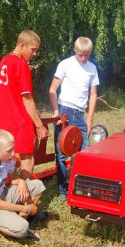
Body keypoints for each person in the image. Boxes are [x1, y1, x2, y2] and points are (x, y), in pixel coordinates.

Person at [0, 30, 48, 204]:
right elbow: (27, 98)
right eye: (33, 49)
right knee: (27, 158)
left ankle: (3, 191)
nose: (34, 53)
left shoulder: (4, 62)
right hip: (20, 121)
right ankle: (23, 198)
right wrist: (39, 125)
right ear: (22, 45)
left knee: (6, 157)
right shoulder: (21, 64)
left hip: (4, 119)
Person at [0, 130, 47, 240]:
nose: (13, 154)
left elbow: (12, 178)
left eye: (13, 149)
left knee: (38, 186)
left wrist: (21, 182)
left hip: (2, 193)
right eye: (9, 151)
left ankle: (18, 220)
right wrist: (27, 209)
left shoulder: (6, 158)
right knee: (22, 228)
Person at [49, 37, 99, 201]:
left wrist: (89, 119)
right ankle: (63, 190)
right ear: (74, 51)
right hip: (65, 110)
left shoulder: (92, 68)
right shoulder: (66, 64)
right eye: (80, 55)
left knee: (84, 151)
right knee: (62, 152)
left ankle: (82, 187)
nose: (83, 58)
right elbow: (52, 89)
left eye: (87, 55)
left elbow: (93, 95)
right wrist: (56, 111)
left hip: (81, 114)